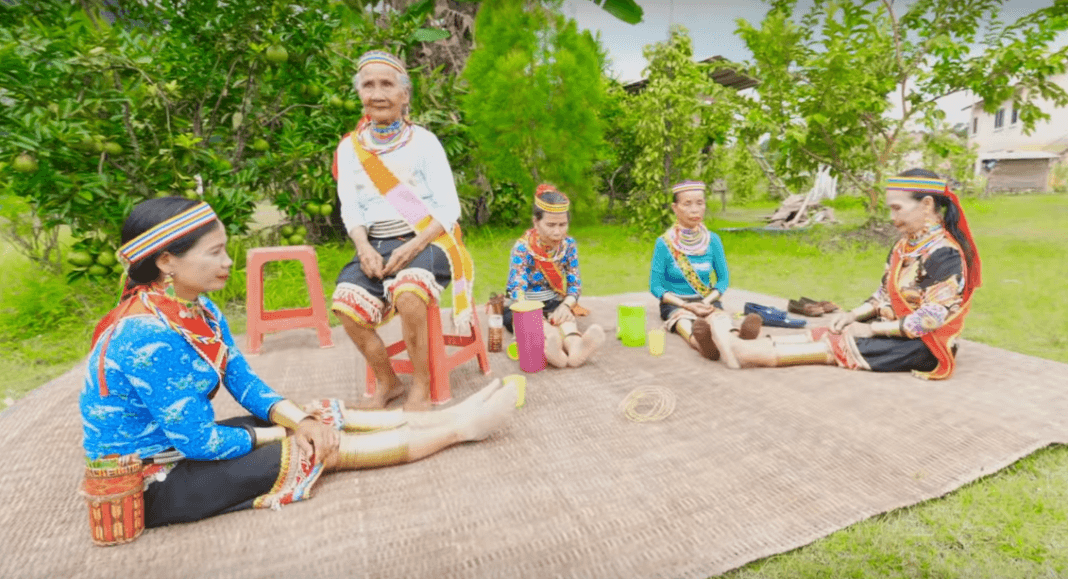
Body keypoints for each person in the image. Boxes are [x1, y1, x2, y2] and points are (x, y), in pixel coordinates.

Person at [81, 197, 517, 528]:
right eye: (214, 252)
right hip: (152, 482)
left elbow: (242, 379)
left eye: (226, 249)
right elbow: (201, 444)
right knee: (302, 449)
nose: (228, 262)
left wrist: (300, 420)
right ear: (166, 261)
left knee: (313, 417)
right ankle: (459, 430)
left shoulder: (200, 309)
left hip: (183, 446)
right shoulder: (145, 334)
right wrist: (289, 432)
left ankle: (451, 415)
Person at [702, 169, 981, 379]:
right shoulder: (904, 247)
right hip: (897, 331)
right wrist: (853, 316)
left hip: (925, 344)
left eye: (897, 208)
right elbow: (883, 295)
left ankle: (747, 352)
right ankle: (746, 344)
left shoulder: (945, 253)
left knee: (848, 342)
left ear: (927, 205)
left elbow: (930, 319)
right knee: (833, 329)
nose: (892, 217)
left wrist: (870, 328)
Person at [330, 50, 475, 410]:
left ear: (404, 94)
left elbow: (448, 208)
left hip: (428, 238)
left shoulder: (424, 142)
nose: (377, 93)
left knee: (409, 293)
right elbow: (351, 206)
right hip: (375, 242)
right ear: (360, 93)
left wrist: (411, 249)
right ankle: (388, 381)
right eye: (368, 85)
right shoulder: (350, 148)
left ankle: (422, 386)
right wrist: (363, 247)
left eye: (386, 84)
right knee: (345, 307)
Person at [649, 180, 760, 360]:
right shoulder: (663, 243)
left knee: (720, 319)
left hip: (706, 300)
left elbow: (723, 280)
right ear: (675, 208)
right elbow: (656, 286)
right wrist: (686, 306)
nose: (695, 209)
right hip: (676, 304)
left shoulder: (713, 240)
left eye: (700, 203)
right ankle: (702, 344)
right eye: (687, 204)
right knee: (683, 321)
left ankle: (737, 338)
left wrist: (707, 302)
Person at [503, 184, 605, 368]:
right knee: (546, 328)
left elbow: (574, 283)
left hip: (553, 303)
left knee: (566, 321)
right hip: (523, 307)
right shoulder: (522, 248)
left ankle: (576, 348)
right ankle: (552, 346)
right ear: (536, 222)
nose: (558, 232)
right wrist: (534, 317)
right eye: (550, 225)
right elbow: (516, 288)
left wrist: (566, 306)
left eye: (562, 224)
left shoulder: (568, 245)